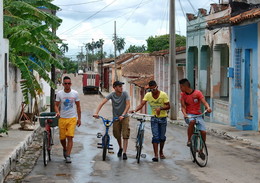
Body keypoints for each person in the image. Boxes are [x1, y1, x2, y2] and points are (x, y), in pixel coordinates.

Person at [130, 80, 170, 162]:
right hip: (154, 118)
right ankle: (155, 155)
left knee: (162, 137)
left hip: (163, 118)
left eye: (154, 89)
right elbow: (142, 104)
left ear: (157, 87)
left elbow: (168, 106)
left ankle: (161, 152)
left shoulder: (163, 95)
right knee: (155, 137)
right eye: (151, 90)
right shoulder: (148, 95)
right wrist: (135, 110)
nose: (153, 91)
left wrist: (161, 108)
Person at [93, 81, 130, 160]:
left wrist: (123, 115)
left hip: (124, 116)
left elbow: (128, 105)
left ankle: (125, 153)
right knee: (116, 134)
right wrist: (96, 113)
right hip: (116, 117)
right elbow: (102, 103)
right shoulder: (112, 95)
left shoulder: (125, 94)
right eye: (119, 86)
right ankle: (120, 148)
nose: (121, 88)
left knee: (125, 134)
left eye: (121, 86)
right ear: (115, 87)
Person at [55, 76, 81, 163]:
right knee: (62, 138)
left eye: (69, 83)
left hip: (72, 118)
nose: (67, 85)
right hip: (62, 118)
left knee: (70, 136)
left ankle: (68, 155)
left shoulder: (75, 93)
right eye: (65, 83)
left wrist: (79, 119)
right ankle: (65, 149)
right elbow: (56, 105)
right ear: (63, 84)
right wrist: (57, 112)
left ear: (71, 84)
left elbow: (78, 106)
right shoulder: (59, 94)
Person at [179, 78, 212, 149]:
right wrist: (185, 114)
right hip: (189, 115)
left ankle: (201, 149)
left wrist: (208, 108)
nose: (180, 88)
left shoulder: (197, 93)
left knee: (203, 132)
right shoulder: (183, 95)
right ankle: (189, 140)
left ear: (185, 86)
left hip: (198, 115)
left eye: (181, 87)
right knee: (192, 121)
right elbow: (183, 107)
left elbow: (204, 102)